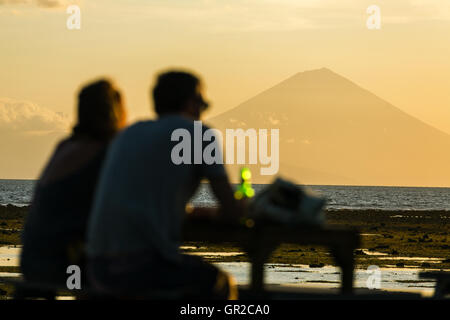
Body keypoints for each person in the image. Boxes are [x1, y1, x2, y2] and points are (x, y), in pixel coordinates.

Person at [86, 70, 242, 299]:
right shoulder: (199, 134)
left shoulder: (128, 134)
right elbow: (232, 212)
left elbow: (140, 197)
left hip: (97, 267)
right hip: (141, 267)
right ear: (190, 103)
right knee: (219, 283)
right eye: (202, 103)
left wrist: (183, 212)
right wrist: (249, 208)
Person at [20, 79, 127, 287]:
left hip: (32, 263)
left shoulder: (66, 146)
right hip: (66, 268)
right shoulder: (107, 152)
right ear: (115, 111)